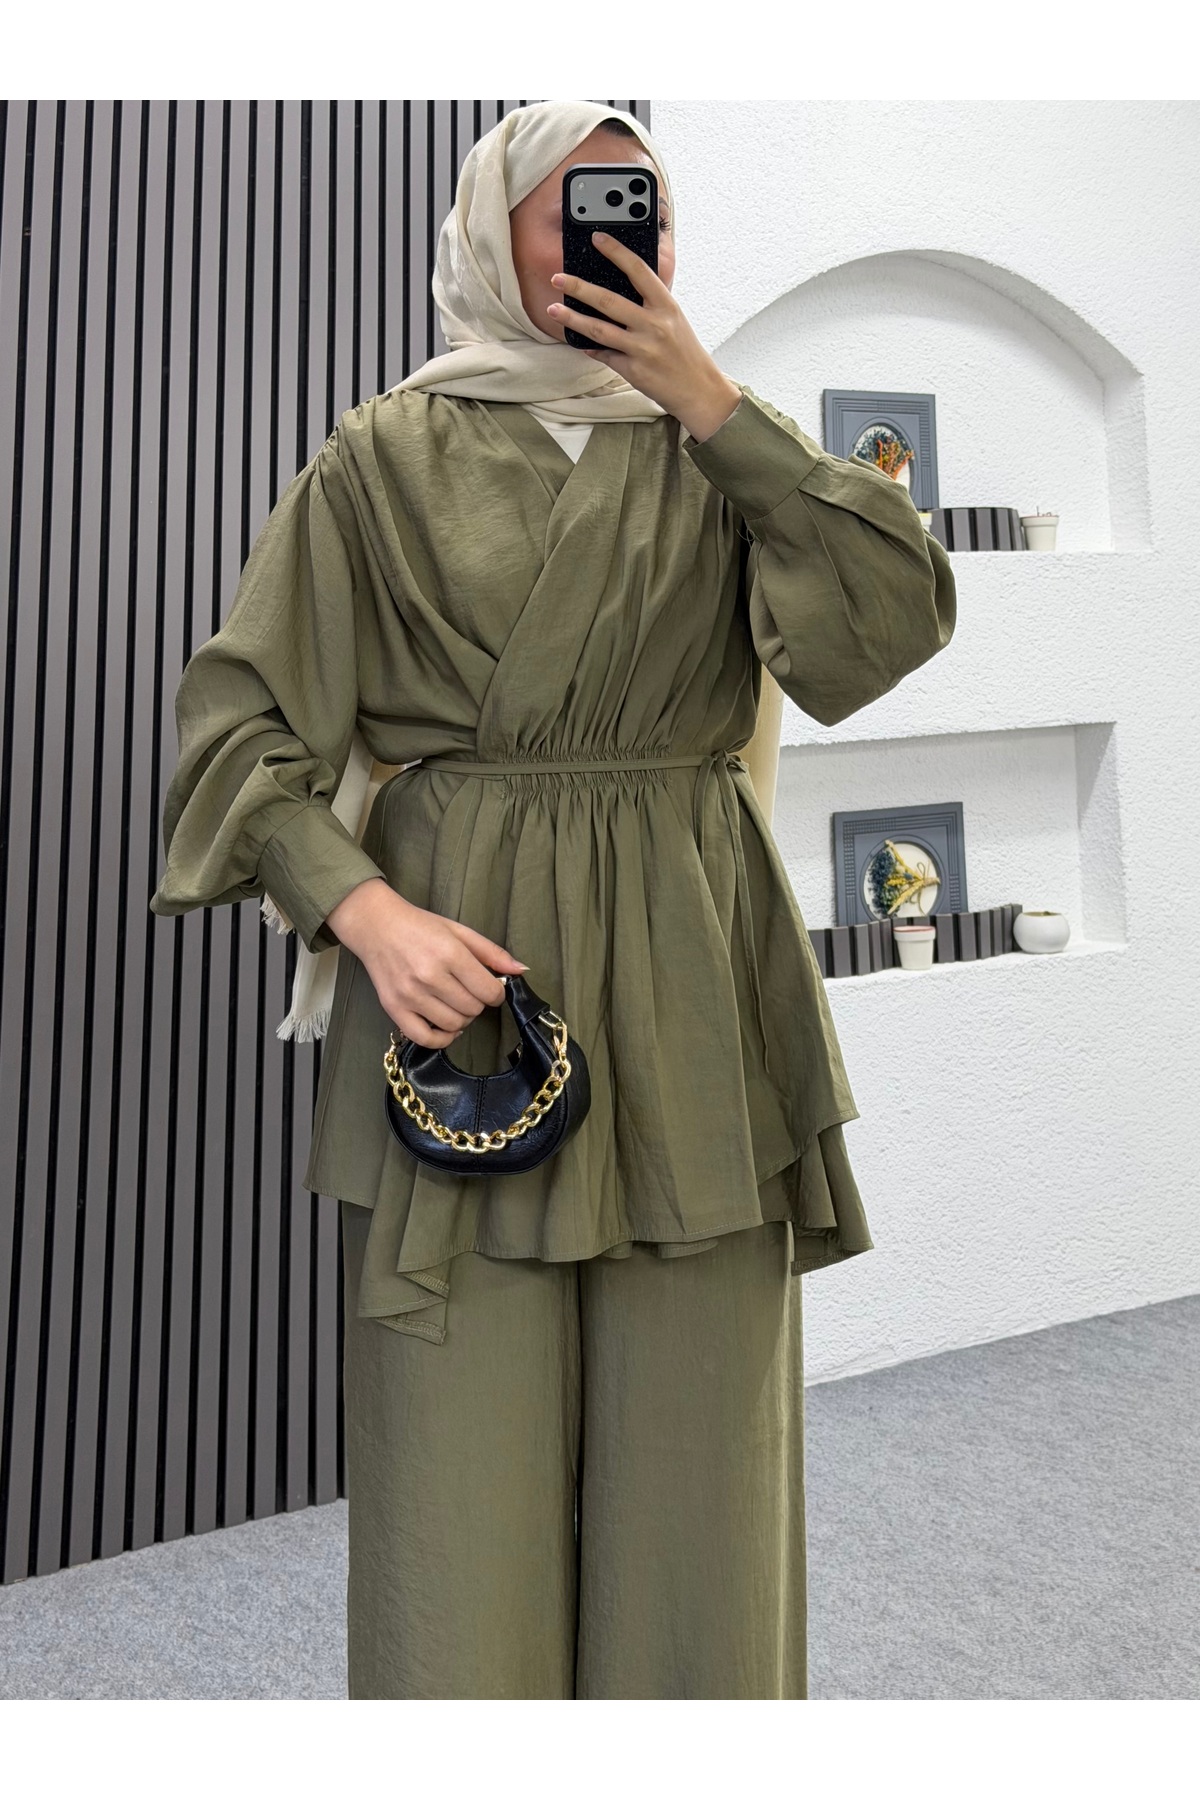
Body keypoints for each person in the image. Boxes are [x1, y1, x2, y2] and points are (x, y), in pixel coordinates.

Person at [150, 99, 957, 1700]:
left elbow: (890, 623)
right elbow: (236, 733)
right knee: (460, 1477)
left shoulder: (727, 445)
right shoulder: (383, 458)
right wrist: (364, 915)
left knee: (700, 1477)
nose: (623, 238)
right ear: (491, 229)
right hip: (467, 997)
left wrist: (713, 406)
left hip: (693, 983)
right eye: (583, 205)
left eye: (648, 208)